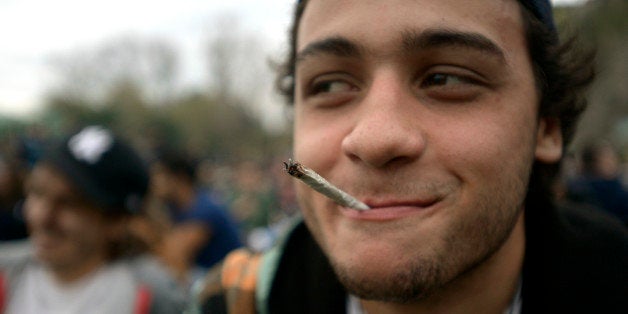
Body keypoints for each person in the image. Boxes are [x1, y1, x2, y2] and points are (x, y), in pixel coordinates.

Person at [196, 0, 628, 313]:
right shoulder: (233, 301)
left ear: (546, 127)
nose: (374, 140)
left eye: (445, 78)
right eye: (329, 85)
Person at [0, 126, 186, 314]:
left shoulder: (151, 296)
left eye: (68, 203)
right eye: (38, 193)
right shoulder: (7, 273)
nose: (42, 216)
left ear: (116, 221)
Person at [150, 149, 242, 285]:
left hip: (227, 285)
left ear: (179, 178)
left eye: (158, 175)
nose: (153, 182)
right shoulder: (175, 208)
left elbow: (170, 258)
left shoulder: (205, 210)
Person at [567, 141, 628, 225]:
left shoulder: (573, 187)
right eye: (608, 159)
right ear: (593, 163)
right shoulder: (615, 191)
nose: (613, 162)